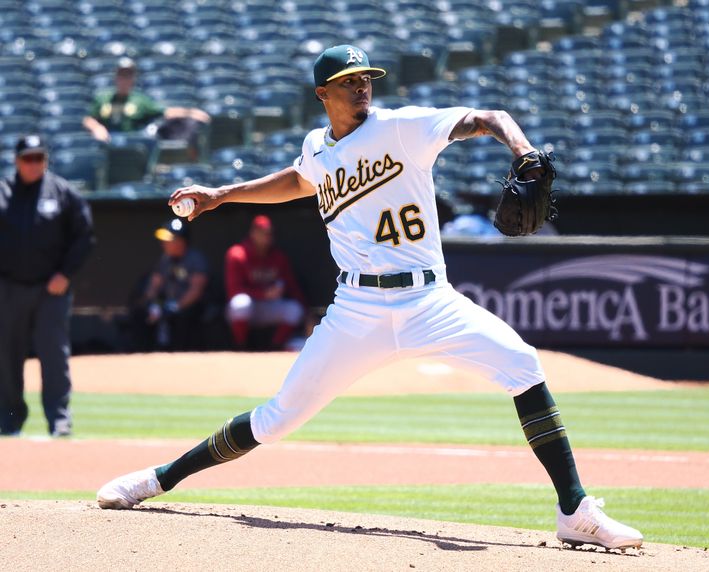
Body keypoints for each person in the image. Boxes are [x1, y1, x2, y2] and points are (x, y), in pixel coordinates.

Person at [97, 45, 643, 550]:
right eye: (347, 81)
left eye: (365, 79)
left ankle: (574, 511)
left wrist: (522, 150)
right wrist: (220, 195)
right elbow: (298, 179)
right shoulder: (317, 146)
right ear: (322, 94)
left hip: (430, 301)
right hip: (355, 311)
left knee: (523, 364)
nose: (361, 87)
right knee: (277, 419)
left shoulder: (401, 128)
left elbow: (489, 117)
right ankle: (157, 479)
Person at [0, 135, 95, 437]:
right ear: (16, 161)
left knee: (54, 354)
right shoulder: (3, 192)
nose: (33, 164)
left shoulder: (63, 192)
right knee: (6, 355)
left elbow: (84, 237)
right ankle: (9, 418)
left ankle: (59, 418)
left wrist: (65, 274)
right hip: (9, 287)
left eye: (39, 158)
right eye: (28, 158)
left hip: (50, 289)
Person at [82, 57, 210, 149]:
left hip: (133, 143)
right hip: (109, 142)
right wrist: (97, 128)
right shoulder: (103, 98)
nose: (124, 79)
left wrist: (191, 112)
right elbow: (88, 119)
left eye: (128, 75)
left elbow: (166, 112)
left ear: (133, 78)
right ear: (116, 77)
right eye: (122, 75)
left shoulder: (140, 100)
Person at [225, 214, 306, 350]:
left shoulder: (278, 257)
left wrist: (307, 312)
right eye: (262, 233)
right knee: (240, 303)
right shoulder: (237, 254)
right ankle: (241, 348)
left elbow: (292, 286)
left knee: (294, 309)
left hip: (268, 306)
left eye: (269, 233)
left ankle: (274, 348)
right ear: (253, 233)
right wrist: (263, 294)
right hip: (245, 308)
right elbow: (234, 291)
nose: (266, 237)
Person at [130, 219, 209, 352]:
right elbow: (154, 285)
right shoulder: (165, 259)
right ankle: (143, 354)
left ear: (181, 241)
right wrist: (152, 304)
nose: (164, 243)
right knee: (141, 313)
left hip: (189, 306)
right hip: (167, 304)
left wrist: (175, 306)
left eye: (169, 239)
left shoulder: (195, 259)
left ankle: (181, 357)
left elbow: (196, 291)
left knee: (181, 318)